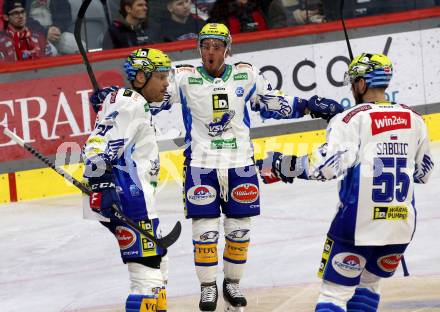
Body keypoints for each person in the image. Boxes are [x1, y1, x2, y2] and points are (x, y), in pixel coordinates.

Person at [91, 22, 343, 312]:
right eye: (204, 46)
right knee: (205, 231)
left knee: (239, 230)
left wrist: (309, 105)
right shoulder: (183, 77)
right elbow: (151, 98)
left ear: (227, 48)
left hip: (241, 164)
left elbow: (273, 101)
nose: (210, 52)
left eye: (216, 46)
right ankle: (208, 287)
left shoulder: (246, 74)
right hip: (200, 164)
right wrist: (118, 95)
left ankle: (232, 283)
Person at [256, 53, 434, 312]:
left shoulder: (350, 119)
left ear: (361, 85)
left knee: (334, 293)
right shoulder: (415, 119)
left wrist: (278, 164)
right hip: (400, 226)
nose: (352, 87)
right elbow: (423, 173)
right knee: (369, 285)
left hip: (357, 225)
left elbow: (323, 168)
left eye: (353, 82)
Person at [82, 48, 172, 312]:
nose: (167, 83)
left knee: (158, 266)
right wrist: (102, 183)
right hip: (128, 199)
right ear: (141, 78)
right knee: (147, 275)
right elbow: (96, 144)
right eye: (161, 77)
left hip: (132, 197)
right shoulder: (130, 103)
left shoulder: (128, 100)